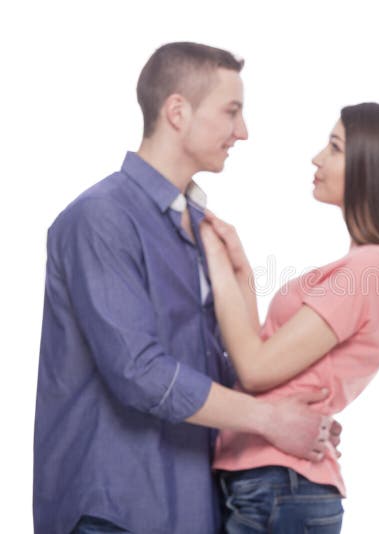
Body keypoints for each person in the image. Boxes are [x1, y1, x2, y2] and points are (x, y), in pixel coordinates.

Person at [33, 42, 339, 534]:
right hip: (113, 510)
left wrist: (247, 295)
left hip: (193, 507)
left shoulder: (202, 228)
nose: (243, 131)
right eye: (231, 112)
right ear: (177, 111)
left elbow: (219, 367)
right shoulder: (99, 218)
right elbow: (139, 371)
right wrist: (270, 419)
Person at [198, 102, 379, 533]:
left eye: (336, 147)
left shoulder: (370, 269)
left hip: (278, 483)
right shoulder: (376, 267)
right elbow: (264, 352)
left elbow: (254, 370)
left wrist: (214, 259)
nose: (318, 158)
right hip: (272, 481)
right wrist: (241, 273)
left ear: (372, 166)